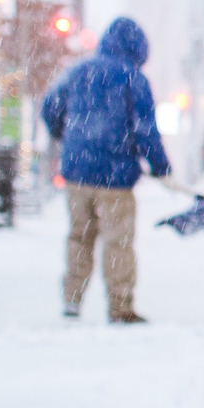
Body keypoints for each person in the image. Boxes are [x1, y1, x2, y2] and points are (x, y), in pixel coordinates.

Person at [39, 17, 173, 324]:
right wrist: (160, 166)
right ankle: (120, 305)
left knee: (79, 237)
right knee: (118, 241)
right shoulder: (132, 78)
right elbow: (146, 129)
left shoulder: (78, 71)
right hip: (115, 177)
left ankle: (72, 300)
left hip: (77, 173)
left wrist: (70, 138)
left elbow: (49, 109)